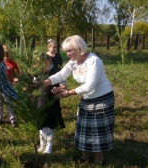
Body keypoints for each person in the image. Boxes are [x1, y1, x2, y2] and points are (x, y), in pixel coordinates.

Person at [43, 35, 115, 165]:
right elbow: (60, 75)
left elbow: (90, 85)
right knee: (84, 128)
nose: (68, 54)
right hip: (87, 98)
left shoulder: (94, 61)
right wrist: (45, 82)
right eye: (66, 51)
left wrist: (68, 93)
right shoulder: (73, 62)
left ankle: (99, 159)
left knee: (98, 129)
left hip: (102, 98)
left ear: (79, 48)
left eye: (70, 51)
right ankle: (84, 156)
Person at [33, 51, 66, 154]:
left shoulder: (57, 71)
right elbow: (34, 84)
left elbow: (64, 86)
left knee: (51, 123)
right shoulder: (38, 72)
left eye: (41, 66)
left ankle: (49, 145)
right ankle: (42, 144)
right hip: (40, 101)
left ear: (47, 62)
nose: (40, 69)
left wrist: (59, 89)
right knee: (42, 123)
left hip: (52, 101)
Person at [0, 44, 20, 127]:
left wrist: (16, 78)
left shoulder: (13, 63)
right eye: (4, 56)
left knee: (10, 103)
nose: (6, 58)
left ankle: (13, 120)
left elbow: (17, 73)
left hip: (8, 86)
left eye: (7, 56)